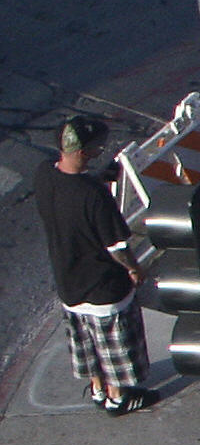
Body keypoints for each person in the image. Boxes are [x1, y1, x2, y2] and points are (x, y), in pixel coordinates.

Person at [37, 117, 152, 417]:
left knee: (87, 345)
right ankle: (118, 398)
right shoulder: (93, 195)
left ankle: (98, 390)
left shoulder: (44, 175)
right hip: (103, 286)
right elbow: (117, 247)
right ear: (86, 151)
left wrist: (97, 177)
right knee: (114, 349)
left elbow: (69, 193)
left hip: (70, 284)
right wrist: (135, 268)